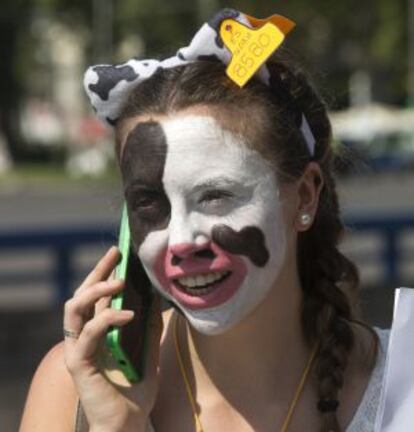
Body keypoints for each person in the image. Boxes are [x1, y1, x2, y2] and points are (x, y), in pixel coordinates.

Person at [19, 9, 389, 432]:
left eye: (215, 196)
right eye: (149, 203)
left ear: (304, 195)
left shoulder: (401, 387)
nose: (180, 241)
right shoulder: (72, 390)